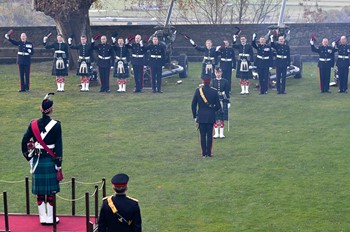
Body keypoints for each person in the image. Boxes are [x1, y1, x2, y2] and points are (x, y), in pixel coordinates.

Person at [21, 93, 63, 225]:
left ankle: (43, 217)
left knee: (40, 191)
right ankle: (50, 217)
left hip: (37, 161)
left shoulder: (33, 124)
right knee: (50, 191)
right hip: (50, 160)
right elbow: (59, 147)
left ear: (41, 109)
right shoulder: (56, 125)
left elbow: (24, 141)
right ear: (51, 110)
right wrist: (58, 165)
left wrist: (29, 156)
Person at [191, 74, 221, 158]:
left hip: (201, 116)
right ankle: (209, 153)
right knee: (210, 135)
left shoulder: (198, 91)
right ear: (210, 81)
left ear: (202, 81)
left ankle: (204, 153)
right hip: (210, 116)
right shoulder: (214, 91)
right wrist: (212, 110)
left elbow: (193, 105)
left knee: (203, 135)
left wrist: (194, 116)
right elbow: (218, 106)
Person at [212, 67, 230, 139]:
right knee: (215, 118)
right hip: (214, 102)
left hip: (223, 100)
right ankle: (216, 133)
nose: (218, 74)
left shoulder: (225, 81)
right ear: (214, 73)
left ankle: (221, 133)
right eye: (216, 73)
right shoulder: (212, 81)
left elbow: (227, 93)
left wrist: (228, 102)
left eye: (219, 72)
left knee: (222, 118)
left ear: (221, 73)